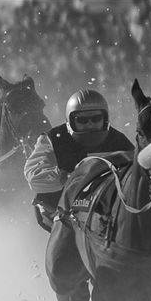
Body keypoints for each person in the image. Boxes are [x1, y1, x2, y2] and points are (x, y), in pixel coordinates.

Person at [24, 89, 134, 224]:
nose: (89, 124)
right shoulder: (53, 139)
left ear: (105, 119)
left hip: (108, 206)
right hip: (59, 208)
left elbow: (135, 172)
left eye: (96, 118)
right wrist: (68, 177)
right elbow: (34, 174)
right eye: (82, 120)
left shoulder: (117, 140)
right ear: (71, 121)